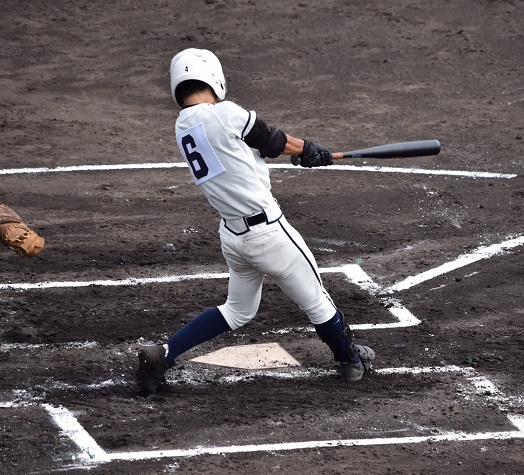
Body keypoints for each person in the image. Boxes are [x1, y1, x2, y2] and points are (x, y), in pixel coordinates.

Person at [135, 48, 375, 396]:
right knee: (317, 301)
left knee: (237, 310)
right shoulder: (225, 113)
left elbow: (246, 151)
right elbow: (271, 139)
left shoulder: (185, 125)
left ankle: (164, 355)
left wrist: (299, 154)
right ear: (213, 77)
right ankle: (351, 361)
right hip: (269, 235)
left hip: (233, 236)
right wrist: (308, 148)